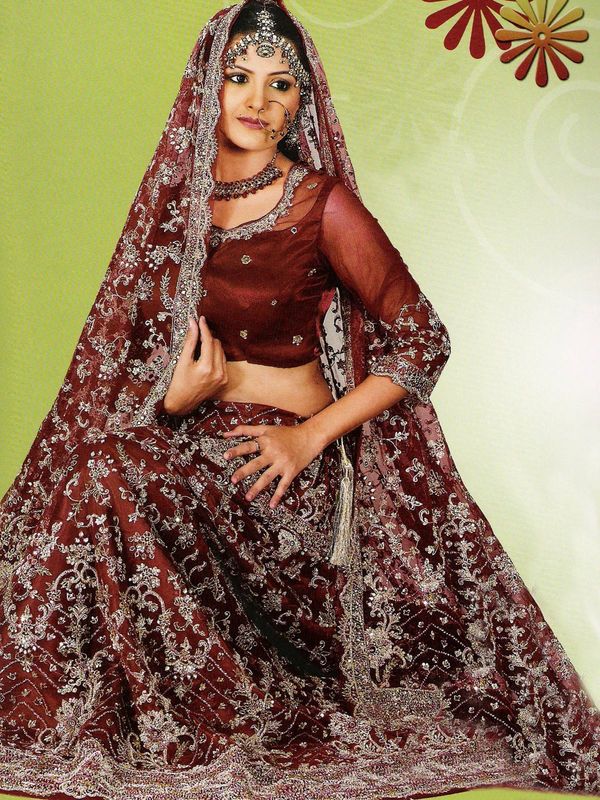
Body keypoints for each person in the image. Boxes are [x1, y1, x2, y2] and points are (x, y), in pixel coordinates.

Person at [0, 1, 598, 799]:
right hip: (183, 456)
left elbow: (423, 340)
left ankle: (210, 716)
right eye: (240, 77)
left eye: (281, 84)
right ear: (206, 87)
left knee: (107, 472)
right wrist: (175, 401)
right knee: (89, 473)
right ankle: (95, 718)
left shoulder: (320, 203)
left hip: (279, 475)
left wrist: (309, 436)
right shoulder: (171, 211)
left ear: (301, 103)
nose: (258, 100)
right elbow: (129, 367)